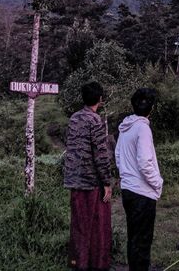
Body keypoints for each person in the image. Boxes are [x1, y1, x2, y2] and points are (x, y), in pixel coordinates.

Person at [63, 81, 113, 271]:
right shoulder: (95, 121)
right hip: (91, 182)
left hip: (74, 180)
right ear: (100, 99)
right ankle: (96, 264)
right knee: (97, 227)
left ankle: (78, 263)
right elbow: (101, 155)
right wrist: (106, 183)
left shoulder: (74, 118)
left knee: (79, 226)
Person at [115, 88, 164, 271]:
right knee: (142, 241)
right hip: (142, 192)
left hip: (128, 190)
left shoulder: (125, 127)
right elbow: (145, 162)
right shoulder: (142, 128)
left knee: (134, 237)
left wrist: (126, 175)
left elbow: (118, 155)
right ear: (151, 108)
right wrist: (157, 182)